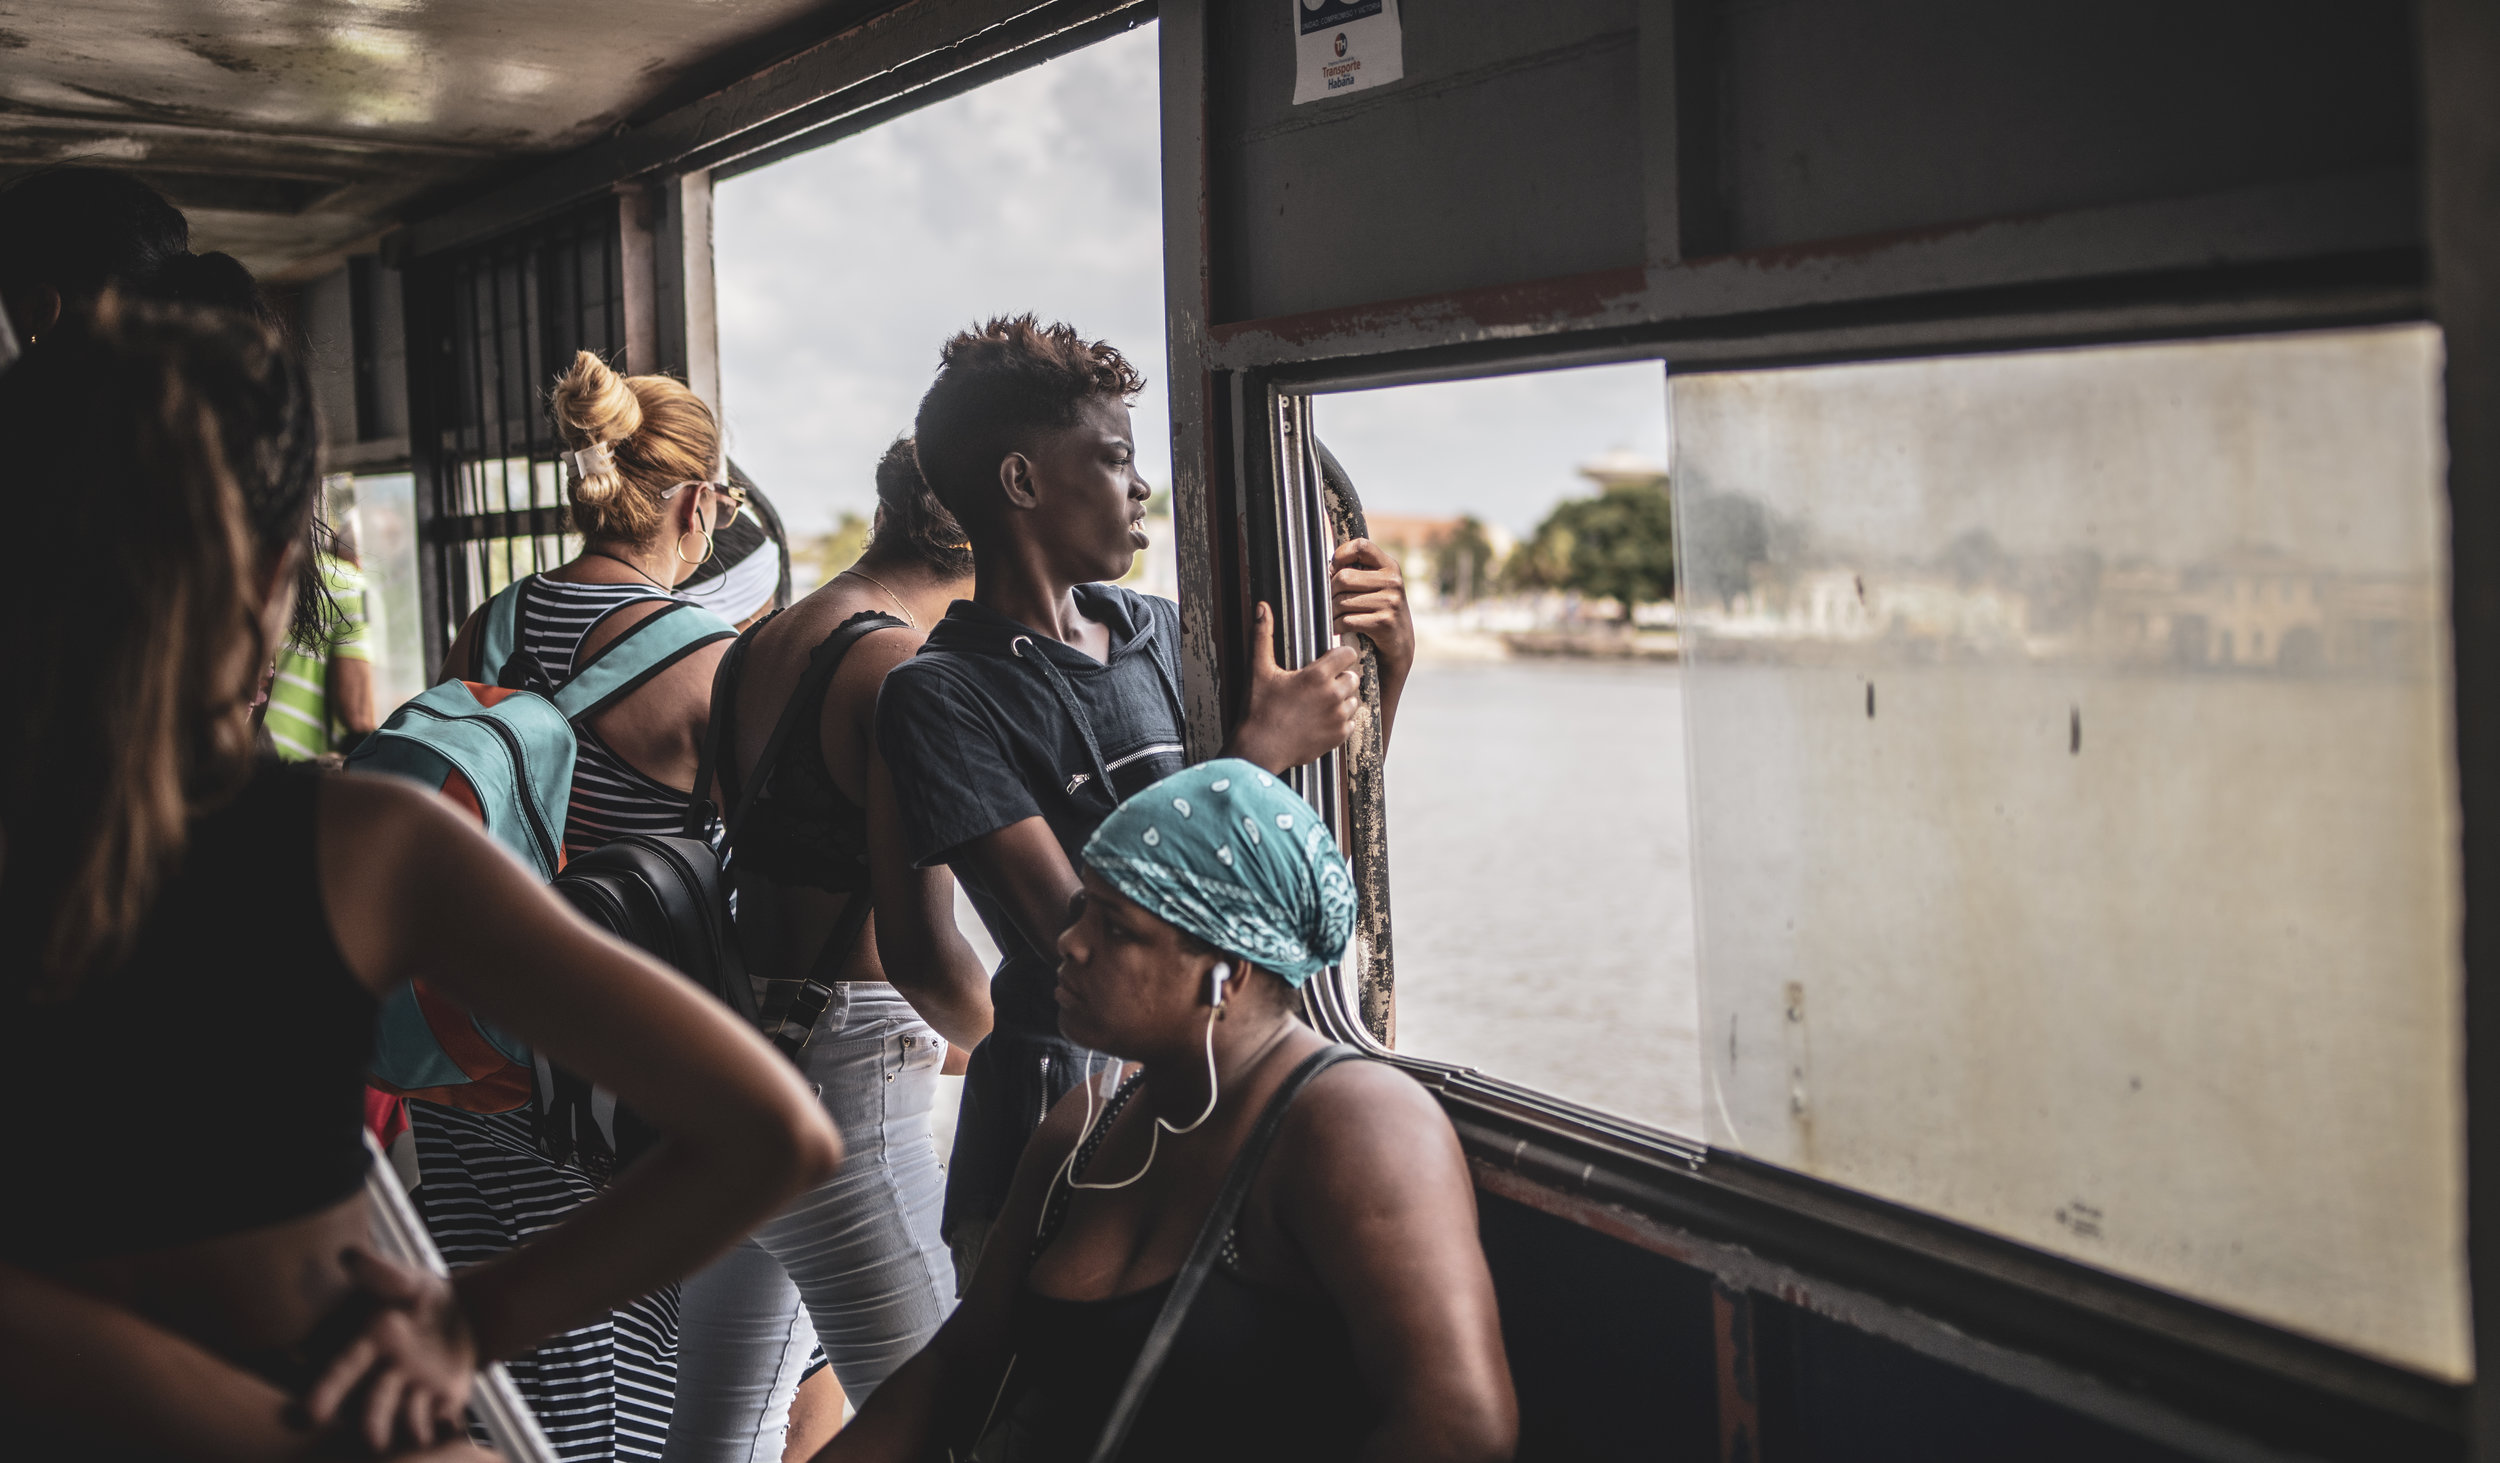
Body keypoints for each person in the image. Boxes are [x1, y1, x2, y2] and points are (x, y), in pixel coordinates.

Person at [0, 297, 845, 1460]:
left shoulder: (498, 627)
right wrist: (470, 1319)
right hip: (365, 1360)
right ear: (272, 580)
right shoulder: (361, 848)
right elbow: (774, 1131)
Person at [873, 316, 1415, 1286]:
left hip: (1208, 1103)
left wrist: (1386, 672)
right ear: (1022, 482)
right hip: (1054, 1122)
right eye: (1116, 457)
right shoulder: (938, 693)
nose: (1142, 486)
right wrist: (1255, 753)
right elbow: (1072, 929)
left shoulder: (1160, 630)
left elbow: (1284, 846)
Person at [819, 760, 1515, 1462]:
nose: (1071, 940)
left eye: (1116, 927)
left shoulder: (1355, 1123)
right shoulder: (1085, 1124)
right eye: (1084, 906)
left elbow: (1456, 1428)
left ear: (1228, 970)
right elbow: (960, 1367)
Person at [423, 350, 752, 1457]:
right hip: (604, 1078)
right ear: (698, 505)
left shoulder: (493, 622)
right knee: (607, 1380)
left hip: (465, 1046)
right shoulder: (711, 663)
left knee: (493, 1359)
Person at [664, 439, 994, 1462]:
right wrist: (1023, 1037)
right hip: (851, 1089)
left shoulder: (767, 641)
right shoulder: (896, 663)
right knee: (951, 1433)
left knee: (723, 1435)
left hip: (749, 1059)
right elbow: (922, 950)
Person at [267, 532, 380, 761]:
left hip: (246, 736)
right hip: (292, 759)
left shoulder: (279, 565)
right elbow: (356, 714)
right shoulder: (349, 583)